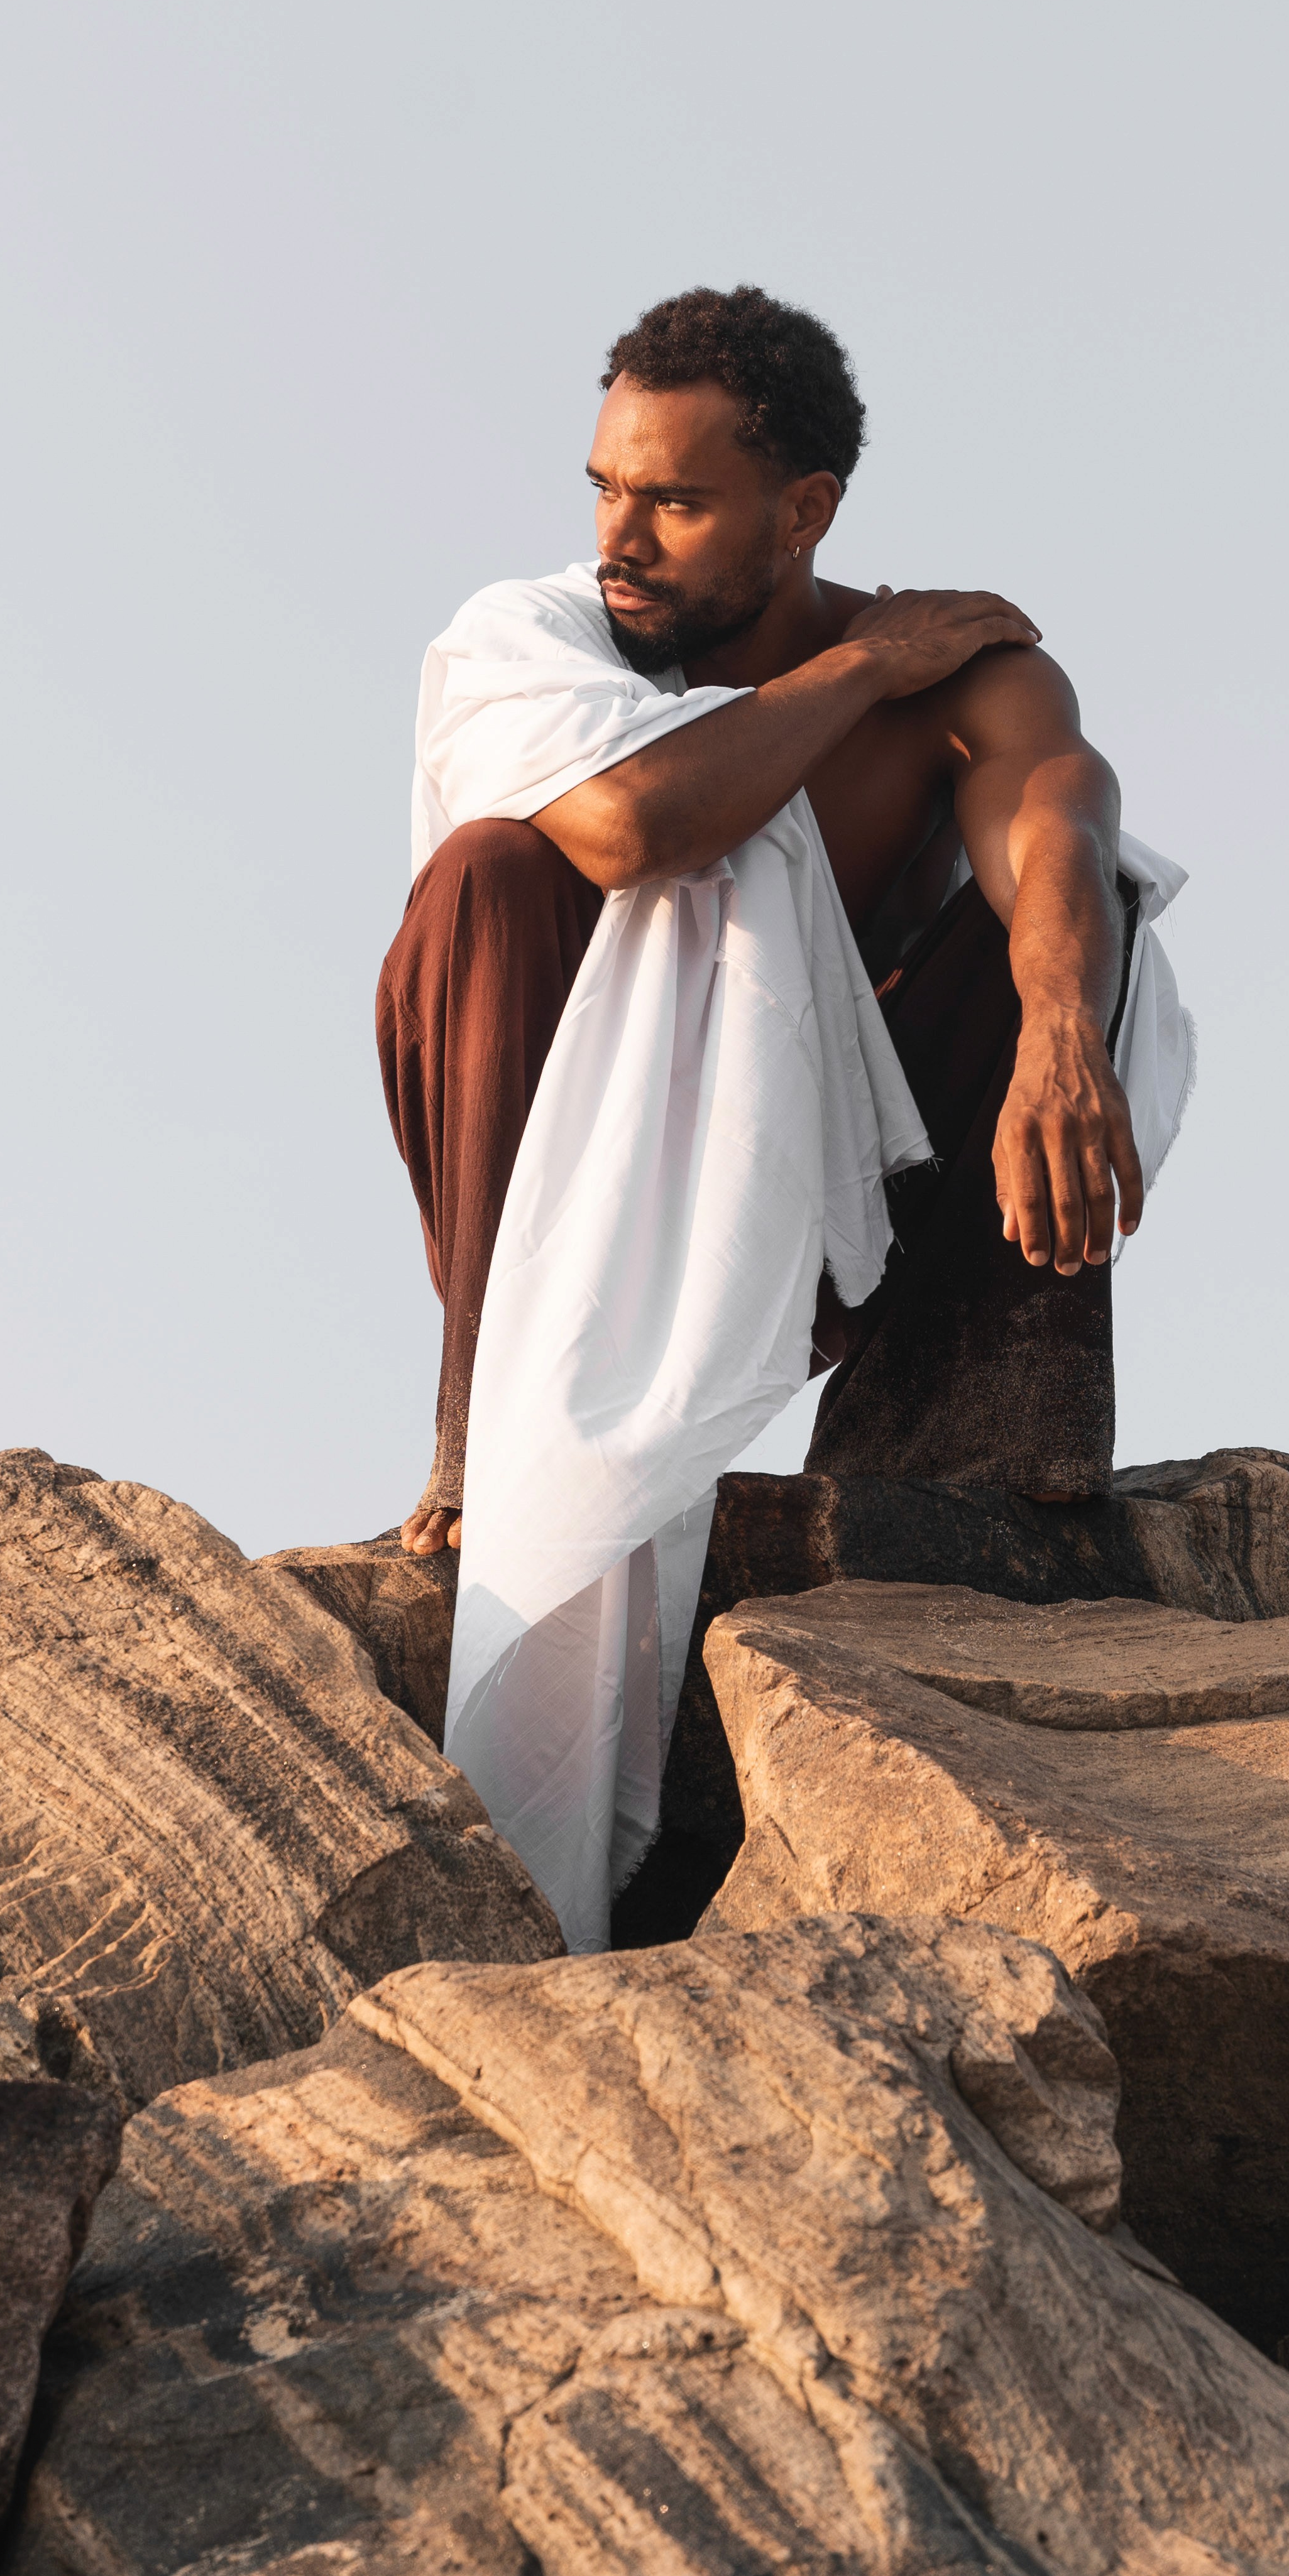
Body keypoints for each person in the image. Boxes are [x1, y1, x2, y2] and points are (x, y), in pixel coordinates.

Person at [375, 283, 1190, 1943]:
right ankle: (481, 1424)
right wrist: (848, 677)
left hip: (826, 1184)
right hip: (574, 1200)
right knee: (487, 877)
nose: (625, 532)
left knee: (1074, 906)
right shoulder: (526, 637)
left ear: (803, 510)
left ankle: (971, 1434)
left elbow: (1059, 794)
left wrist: (1056, 1031)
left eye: (675, 501)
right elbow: (624, 827)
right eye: (607, 485)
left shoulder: (953, 659)